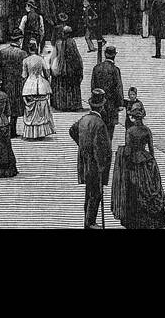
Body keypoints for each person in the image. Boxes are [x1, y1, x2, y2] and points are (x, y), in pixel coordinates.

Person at [110, 102, 165, 228]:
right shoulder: (147, 130)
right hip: (147, 162)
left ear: (133, 117)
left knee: (134, 190)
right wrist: (152, 165)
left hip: (135, 163)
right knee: (150, 189)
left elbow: (128, 151)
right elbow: (152, 150)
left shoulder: (130, 131)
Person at [68, 89, 112, 228]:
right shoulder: (99, 124)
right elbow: (102, 149)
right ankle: (90, 222)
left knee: (89, 193)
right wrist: (102, 166)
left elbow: (72, 130)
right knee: (95, 194)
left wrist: (82, 145)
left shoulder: (84, 119)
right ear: (102, 106)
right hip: (95, 165)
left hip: (84, 162)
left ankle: (88, 221)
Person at [89, 43, 124, 141]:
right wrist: (120, 104)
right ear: (114, 55)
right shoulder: (115, 70)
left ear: (105, 54)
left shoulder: (96, 68)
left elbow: (93, 86)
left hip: (98, 104)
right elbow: (118, 88)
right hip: (111, 105)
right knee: (109, 131)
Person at [20, 43, 55, 140]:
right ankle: (41, 133)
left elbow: (24, 75)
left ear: (29, 50)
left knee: (30, 109)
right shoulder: (41, 59)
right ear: (36, 49)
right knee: (41, 109)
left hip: (29, 85)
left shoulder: (25, 60)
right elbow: (47, 73)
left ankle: (31, 134)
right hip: (40, 84)